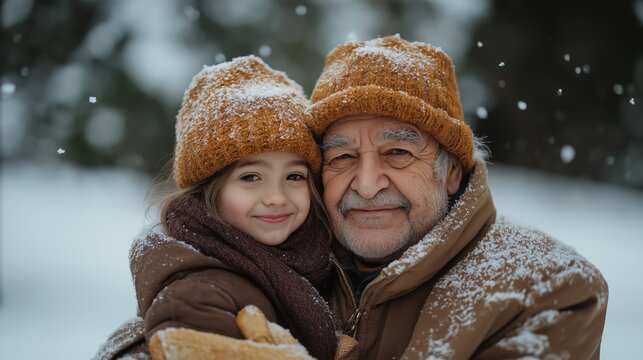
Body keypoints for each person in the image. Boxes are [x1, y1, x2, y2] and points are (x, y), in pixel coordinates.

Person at [304, 35, 609, 359]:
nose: (366, 185)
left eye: (397, 152)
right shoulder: (281, 267)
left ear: (451, 171)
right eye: (342, 157)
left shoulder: (546, 286)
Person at [95, 56, 352, 360]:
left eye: (294, 176)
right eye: (250, 177)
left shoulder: (308, 260)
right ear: (209, 192)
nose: (276, 197)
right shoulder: (200, 292)